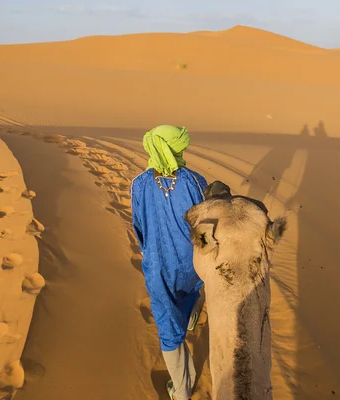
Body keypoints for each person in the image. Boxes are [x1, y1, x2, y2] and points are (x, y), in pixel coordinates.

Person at [130, 125, 207, 400]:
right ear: (177, 149)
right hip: (190, 265)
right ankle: (190, 317)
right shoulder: (196, 181)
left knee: (167, 329)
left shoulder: (139, 184)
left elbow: (138, 227)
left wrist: (151, 252)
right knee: (188, 294)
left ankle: (182, 391)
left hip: (159, 268)